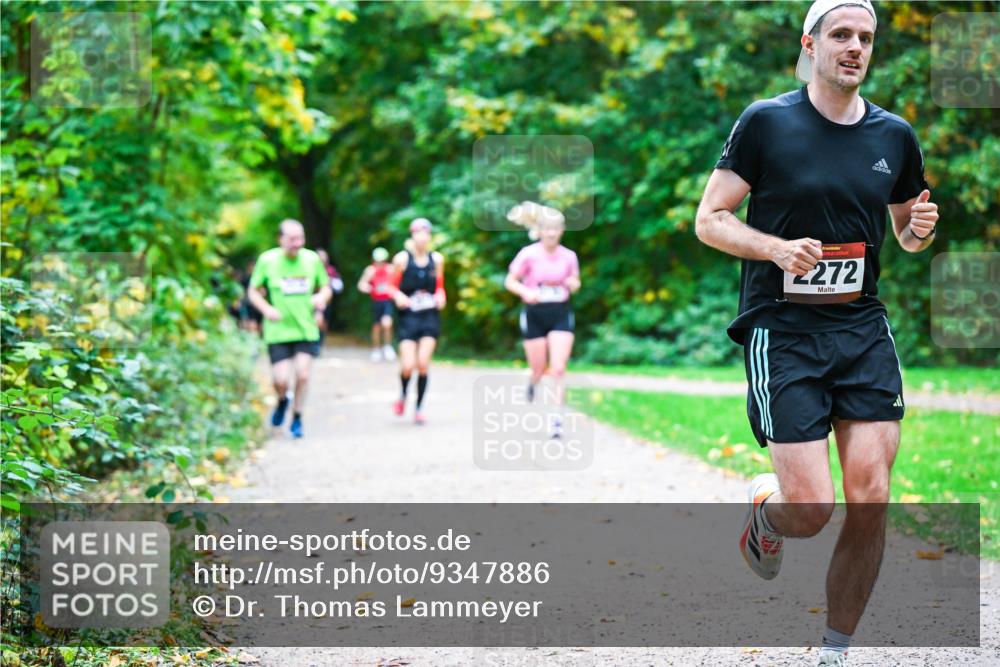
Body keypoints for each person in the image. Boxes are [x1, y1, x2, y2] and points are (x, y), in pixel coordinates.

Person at [694, 1, 938, 664]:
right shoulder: (767, 122)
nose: (855, 47)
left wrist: (916, 231)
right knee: (811, 510)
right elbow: (710, 219)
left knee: (872, 495)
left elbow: (906, 230)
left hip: (861, 328)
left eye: (866, 37)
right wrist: (774, 248)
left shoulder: (895, 136)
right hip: (785, 331)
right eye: (841, 35)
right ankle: (765, 516)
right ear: (811, 43)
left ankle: (835, 649)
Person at [246, 220, 332, 439]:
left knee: (303, 375)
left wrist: (321, 297)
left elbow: (326, 287)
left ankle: (297, 417)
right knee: (280, 380)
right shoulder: (268, 260)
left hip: (306, 329)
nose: (297, 243)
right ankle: (283, 400)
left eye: (300, 238)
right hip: (278, 331)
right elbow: (253, 291)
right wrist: (267, 309)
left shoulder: (311, 259)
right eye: (292, 239)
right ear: (281, 239)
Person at [503, 202, 580, 439]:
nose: (551, 233)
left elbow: (575, 281)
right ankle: (532, 381)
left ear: (562, 231)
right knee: (539, 368)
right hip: (535, 314)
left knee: (557, 368)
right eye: (547, 228)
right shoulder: (528, 254)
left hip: (560, 313)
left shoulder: (569, 256)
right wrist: (525, 293)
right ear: (540, 230)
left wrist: (572, 284)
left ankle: (556, 419)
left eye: (556, 228)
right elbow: (510, 281)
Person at [387, 218, 446, 424]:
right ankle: (403, 395)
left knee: (422, 364)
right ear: (412, 236)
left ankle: (419, 408)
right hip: (409, 317)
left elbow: (439, 286)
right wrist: (399, 296)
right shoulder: (402, 259)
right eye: (418, 233)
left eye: (426, 233)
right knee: (407, 365)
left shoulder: (437, 259)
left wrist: (440, 296)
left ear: (430, 236)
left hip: (429, 315)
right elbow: (391, 287)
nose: (422, 237)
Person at [357, 247, 397, 362]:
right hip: (376, 301)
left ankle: (388, 346)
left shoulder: (390, 269)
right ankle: (376, 349)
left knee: (387, 323)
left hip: (387, 301)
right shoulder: (370, 270)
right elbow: (361, 284)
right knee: (376, 326)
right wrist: (369, 288)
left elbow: (397, 282)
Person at [315, 248, 344, 344]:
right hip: (312, 301)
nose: (322, 259)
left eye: (323, 257)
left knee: (324, 323)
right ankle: (313, 343)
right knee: (316, 321)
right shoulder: (310, 269)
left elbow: (339, 286)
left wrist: (330, 282)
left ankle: (320, 343)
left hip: (326, 302)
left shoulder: (331, 270)